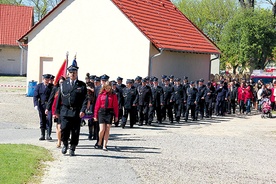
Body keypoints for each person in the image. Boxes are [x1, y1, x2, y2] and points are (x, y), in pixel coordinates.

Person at [55, 65, 88, 156]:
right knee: (64, 129)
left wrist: (83, 110)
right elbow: (59, 99)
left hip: (76, 112)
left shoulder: (81, 85)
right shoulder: (63, 84)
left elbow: (85, 99)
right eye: (71, 72)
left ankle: (73, 147)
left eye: (74, 72)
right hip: (65, 111)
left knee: (75, 131)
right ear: (68, 74)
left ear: (77, 73)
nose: (72, 74)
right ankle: (65, 143)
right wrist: (56, 111)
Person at [94, 83, 119, 151]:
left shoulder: (113, 95)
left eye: (109, 88)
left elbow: (116, 106)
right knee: (102, 130)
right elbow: (97, 106)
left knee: (107, 129)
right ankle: (99, 142)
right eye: (107, 88)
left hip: (109, 112)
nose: (108, 89)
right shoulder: (101, 94)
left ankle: (104, 145)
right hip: (101, 112)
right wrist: (95, 115)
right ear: (104, 87)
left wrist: (116, 116)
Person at [46, 76, 66, 147]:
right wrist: (49, 110)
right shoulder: (55, 89)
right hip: (58, 110)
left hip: (65, 110)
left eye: (63, 82)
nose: (61, 84)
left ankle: (64, 140)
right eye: (60, 82)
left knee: (65, 127)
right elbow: (51, 100)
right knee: (59, 127)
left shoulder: (67, 89)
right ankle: (59, 140)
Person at [33, 74, 54, 140]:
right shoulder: (39, 86)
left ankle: (48, 134)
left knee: (49, 120)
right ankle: (42, 135)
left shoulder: (52, 87)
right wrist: (36, 104)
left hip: (49, 105)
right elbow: (35, 96)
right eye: (46, 79)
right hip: (42, 105)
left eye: (48, 80)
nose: (47, 81)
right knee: (42, 120)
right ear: (43, 79)